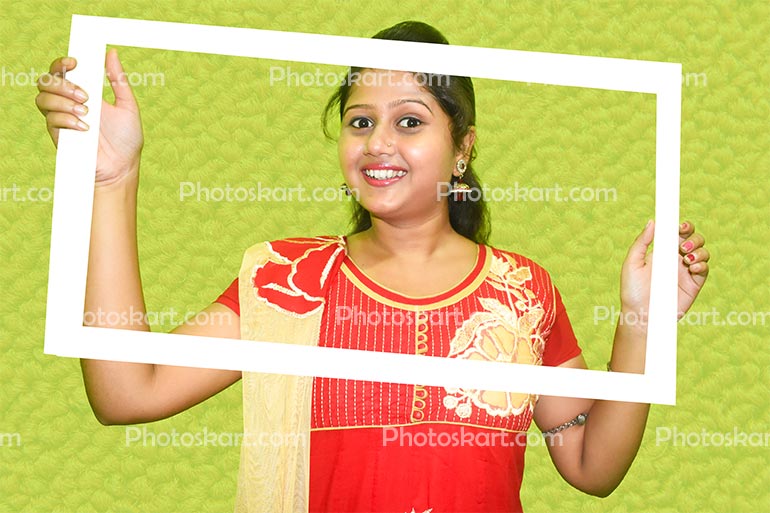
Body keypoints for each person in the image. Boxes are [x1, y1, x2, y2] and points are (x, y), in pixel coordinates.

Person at [36, 20, 710, 513]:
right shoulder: (287, 280)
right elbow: (125, 389)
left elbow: (593, 465)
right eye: (360, 121)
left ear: (462, 147)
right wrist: (110, 182)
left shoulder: (521, 291)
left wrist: (643, 324)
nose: (378, 142)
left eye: (410, 122)